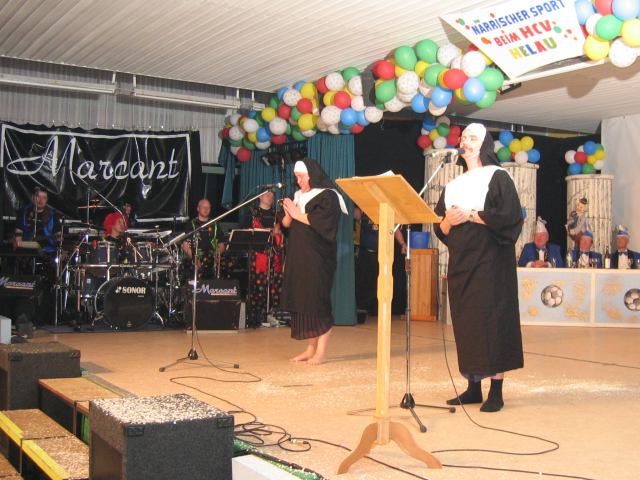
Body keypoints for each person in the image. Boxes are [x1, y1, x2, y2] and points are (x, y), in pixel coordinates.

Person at [433, 123, 524, 412]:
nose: (466, 142)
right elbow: (440, 228)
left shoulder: (498, 176)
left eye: (473, 138)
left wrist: (471, 215)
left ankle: (496, 391)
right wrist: (449, 221)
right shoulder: (452, 185)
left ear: (484, 145)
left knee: (492, 322)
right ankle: (473, 387)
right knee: (467, 323)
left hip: (491, 264)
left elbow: (510, 218)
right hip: (462, 263)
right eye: (463, 138)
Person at [280, 158, 347, 365]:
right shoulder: (298, 195)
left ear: (312, 175)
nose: (298, 181)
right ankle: (310, 349)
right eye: (296, 177)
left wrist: (296, 213)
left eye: (301, 177)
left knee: (318, 301)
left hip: (319, 257)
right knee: (305, 301)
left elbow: (323, 224)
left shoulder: (328, 196)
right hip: (299, 256)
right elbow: (286, 225)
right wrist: (288, 214)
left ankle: (322, 352)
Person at [353, 206, 407, 315]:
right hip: (366, 253)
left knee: (380, 285)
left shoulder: (386, 210)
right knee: (365, 284)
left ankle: (379, 312)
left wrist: (402, 244)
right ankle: (364, 310)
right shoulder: (363, 209)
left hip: (383, 255)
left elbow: (394, 228)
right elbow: (353, 215)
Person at [246, 190, 284, 327]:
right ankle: (257, 316)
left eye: (272, 196)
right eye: (268, 195)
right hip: (258, 256)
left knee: (275, 284)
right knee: (258, 284)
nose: (270, 198)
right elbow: (245, 231)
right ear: (260, 197)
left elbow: (283, 233)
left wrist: (279, 233)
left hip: (274, 255)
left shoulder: (277, 215)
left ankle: (271, 314)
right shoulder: (252, 213)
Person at [182, 199, 225, 278]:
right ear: (198, 209)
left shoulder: (215, 225)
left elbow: (221, 245)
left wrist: (217, 256)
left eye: (208, 207)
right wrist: (195, 259)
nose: (206, 209)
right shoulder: (191, 224)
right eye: (203, 207)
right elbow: (185, 246)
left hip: (211, 259)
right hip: (195, 258)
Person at [14, 187, 60, 255]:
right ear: (33, 197)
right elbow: (18, 232)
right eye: (38, 197)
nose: (41, 200)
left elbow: (58, 235)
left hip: (48, 250)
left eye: (44, 198)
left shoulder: (52, 214)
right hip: (27, 249)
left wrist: (60, 249)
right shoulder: (24, 212)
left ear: (47, 200)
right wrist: (19, 245)